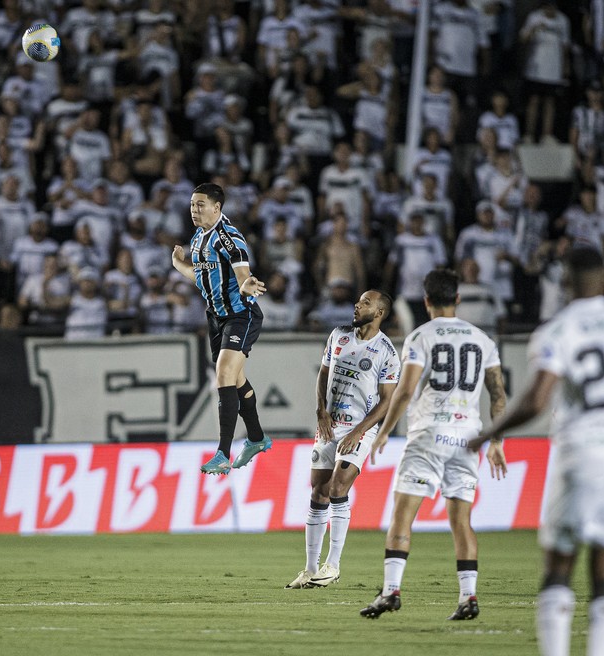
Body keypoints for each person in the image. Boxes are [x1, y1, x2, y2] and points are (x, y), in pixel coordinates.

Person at [468, 249, 604, 656]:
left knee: (558, 569)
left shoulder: (560, 329)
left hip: (580, 454)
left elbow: (535, 401)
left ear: (566, 280)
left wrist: (488, 434)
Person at [360, 269, 507, 621]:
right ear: (457, 299)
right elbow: (498, 395)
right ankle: (468, 597)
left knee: (402, 516)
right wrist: (497, 441)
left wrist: (384, 430)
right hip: (468, 438)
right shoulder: (484, 340)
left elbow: (407, 390)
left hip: (428, 435)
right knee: (461, 521)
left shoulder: (420, 337)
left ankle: (391, 591)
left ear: (425, 301)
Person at [286, 290, 400, 590]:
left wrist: (359, 430)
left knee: (338, 487)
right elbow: (323, 374)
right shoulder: (338, 336)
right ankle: (311, 570)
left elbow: (387, 401)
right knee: (318, 491)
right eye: (358, 301)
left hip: (359, 429)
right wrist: (320, 410)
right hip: (329, 425)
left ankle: (333, 565)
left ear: (379, 313)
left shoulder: (387, 352)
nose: (357, 305)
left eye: (365, 303)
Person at [171, 183, 270, 474]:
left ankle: (222, 454)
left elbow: (243, 274)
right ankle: (256, 438)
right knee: (236, 380)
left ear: (217, 207)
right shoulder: (199, 237)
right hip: (216, 318)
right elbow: (199, 275)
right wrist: (179, 264)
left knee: (224, 373)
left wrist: (248, 284)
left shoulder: (229, 238)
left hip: (242, 314)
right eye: (192, 204)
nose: (194, 209)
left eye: (200, 205)